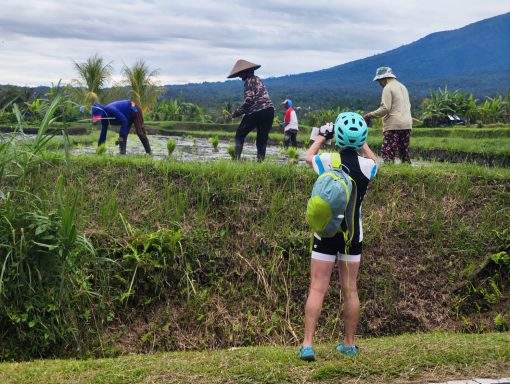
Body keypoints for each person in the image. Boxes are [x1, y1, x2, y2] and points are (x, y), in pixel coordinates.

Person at [299, 112, 378, 362]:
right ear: (362, 137)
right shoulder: (367, 167)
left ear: (339, 137)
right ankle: (348, 344)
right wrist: (362, 143)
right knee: (350, 289)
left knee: (317, 287)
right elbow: (374, 160)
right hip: (352, 236)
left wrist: (322, 137)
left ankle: (308, 345)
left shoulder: (327, 160)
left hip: (325, 233)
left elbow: (307, 157)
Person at [227, 59, 275, 161]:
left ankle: (236, 159)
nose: (240, 77)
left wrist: (235, 114)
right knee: (262, 139)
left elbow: (249, 101)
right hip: (269, 111)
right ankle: (260, 162)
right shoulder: (257, 79)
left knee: (240, 134)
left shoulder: (248, 81)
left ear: (246, 72)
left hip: (257, 111)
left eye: (241, 74)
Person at [363, 67, 412, 164]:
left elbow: (385, 108)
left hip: (393, 125)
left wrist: (369, 115)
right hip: (407, 124)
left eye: (379, 81)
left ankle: (389, 170)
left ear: (383, 79)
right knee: (404, 152)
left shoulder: (387, 88)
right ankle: (407, 169)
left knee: (388, 153)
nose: (379, 84)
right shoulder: (402, 87)